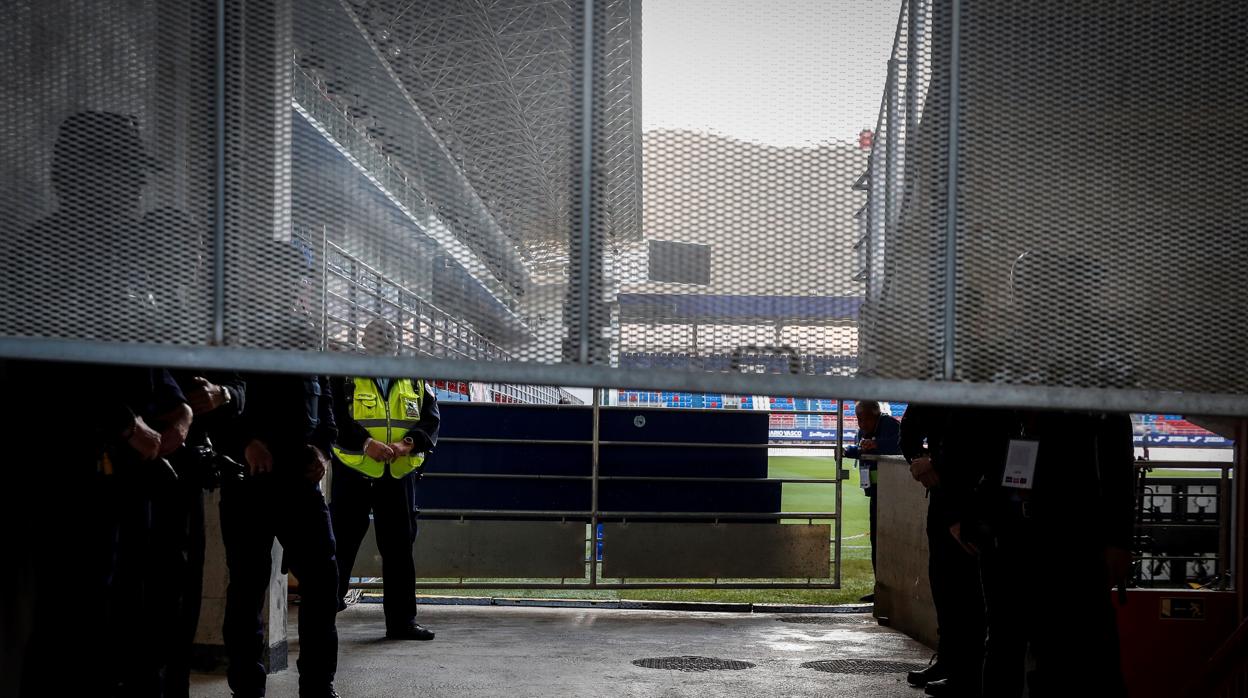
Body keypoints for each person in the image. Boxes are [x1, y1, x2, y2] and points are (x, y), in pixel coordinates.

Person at [950, 410, 1134, 698]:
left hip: (1070, 541)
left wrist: (1119, 541)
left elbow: (1118, 467)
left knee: (1071, 646)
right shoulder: (999, 394)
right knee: (1002, 643)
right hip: (1005, 538)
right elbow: (969, 445)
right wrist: (960, 510)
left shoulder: (1096, 401)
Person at [331, 319, 441, 640]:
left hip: (398, 473)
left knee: (398, 549)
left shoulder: (414, 376)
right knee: (341, 542)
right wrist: (367, 443)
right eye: (377, 335)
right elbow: (335, 415)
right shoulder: (346, 374)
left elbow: (431, 418)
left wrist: (408, 443)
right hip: (355, 471)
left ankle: (402, 623)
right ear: (364, 340)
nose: (385, 340)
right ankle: (326, 612)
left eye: (390, 335)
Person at [152, 371, 246, 698]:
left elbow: (241, 387)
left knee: (185, 593)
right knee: (145, 595)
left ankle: (176, 688)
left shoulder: (215, 332)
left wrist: (223, 394)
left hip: (187, 474)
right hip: (139, 464)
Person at [900, 405, 1005, 697]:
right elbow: (908, 430)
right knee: (944, 584)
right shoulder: (933, 385)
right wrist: (919, 458)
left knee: (968, 591)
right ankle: (950, 662)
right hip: (943, 497)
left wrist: (935, 463)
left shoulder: (979, 390)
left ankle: (967, 673)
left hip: (972, 497)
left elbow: (983, 444)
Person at [843, 400, 902, 601]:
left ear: (876, 415)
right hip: (876, 493)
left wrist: (877, 444)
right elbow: (864, 451)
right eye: (858, 418)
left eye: (865, 418)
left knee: (890, 541)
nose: (861, 423)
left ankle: (895, 589)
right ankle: (881, 589)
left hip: (894, 494)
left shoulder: (892, 426)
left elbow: (903, 446)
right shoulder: (862, 432)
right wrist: (849, 451)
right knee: (876, 540)